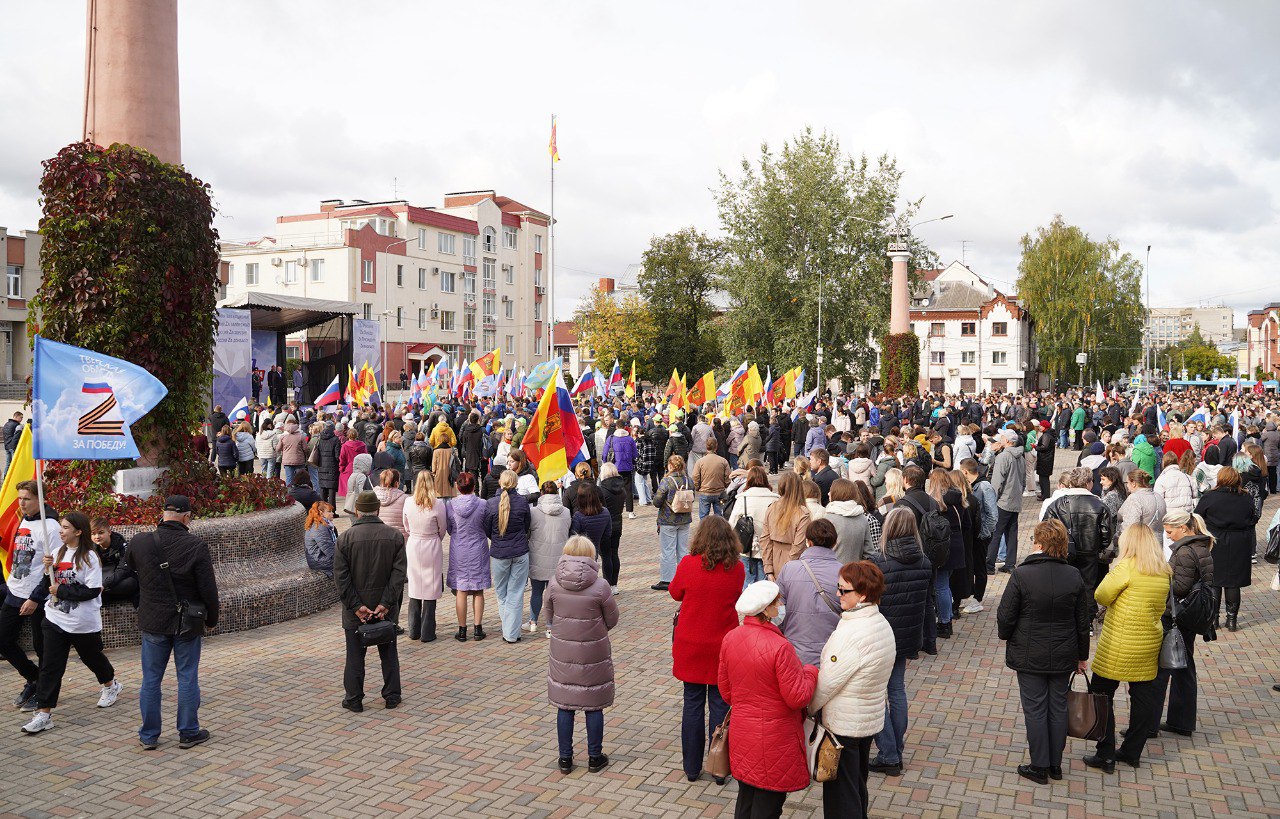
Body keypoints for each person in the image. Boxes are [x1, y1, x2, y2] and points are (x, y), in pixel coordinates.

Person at [996, 519, 1092, 784]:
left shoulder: (1022, 574)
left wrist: (1006, 636)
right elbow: (1082, 622)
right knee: (1058, 707)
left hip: (1029, 654)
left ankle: (1039, 765)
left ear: (1039, 543)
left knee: (1036, 709)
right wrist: (1082, 656)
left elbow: (1005, 617)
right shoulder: (1073, 575)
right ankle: (1055, 764)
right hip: (1063, 653)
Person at [717, 581, 819, 818]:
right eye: (777, 602)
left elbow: (726, 691)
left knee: (746, 797)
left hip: (743, 733)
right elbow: (798, 697)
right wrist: (810, 673)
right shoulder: (780, 646)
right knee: (768, 805)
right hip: (775, 739)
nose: (781, 605)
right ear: (766, 610)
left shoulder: (731, 638)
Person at [125, 496, 219, 749]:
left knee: (151, 680)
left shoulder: (139, 541)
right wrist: (212, 617)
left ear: (163, 514)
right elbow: (207, 588)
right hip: (186, 622)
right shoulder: (195, 545)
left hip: (152, 619)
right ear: (187, 517)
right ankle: (188, 732)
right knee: (187, 676)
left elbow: (129, 572)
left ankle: (149, 736)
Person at [20, 511, 123, 735]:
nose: (61, 531)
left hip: (82, 623)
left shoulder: (89, 557)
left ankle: (110, 684)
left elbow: (93, 590)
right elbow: (47, 583)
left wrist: (61, 590)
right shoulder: (56, 553)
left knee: (92, 658)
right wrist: (38, 593)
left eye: (65, 528)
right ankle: (44, 714)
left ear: (78, 531)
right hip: (55, 619)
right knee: (50, 667)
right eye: (61, 527)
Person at [808, 560, 897, 817]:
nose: (838, 594)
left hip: (844, 726)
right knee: (857, 784)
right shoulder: (880, 623)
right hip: (866, 721)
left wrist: (810, 707)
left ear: (863, 594)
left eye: (844, 590)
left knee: (841, 796)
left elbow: (828, 682)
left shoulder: (853, 632)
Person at [1084, 525, 1170, 773]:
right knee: (1142, 698)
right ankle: (1132, 751)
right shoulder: (1163, 571)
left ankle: (1106, 753)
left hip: (1119, 642)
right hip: (1149, 641)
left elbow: (1101, 595)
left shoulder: (1127, 567)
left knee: (1101, 695)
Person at [669, 515, 744, 783]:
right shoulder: (737, 568)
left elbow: (675, 593)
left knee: (692, 703)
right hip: (723, 643)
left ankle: (691, 768)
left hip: (691, 643)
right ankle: (719, 766)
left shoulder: (689, 564)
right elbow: (736, 596)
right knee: (720, 704)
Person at [546, 535, 620, 774]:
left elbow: (548, 617)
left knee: (565, 704)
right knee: (593, 703)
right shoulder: (600, 586)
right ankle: (594, 757)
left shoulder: (554, 583)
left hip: (562, 652)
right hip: (593, 651)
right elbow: (613, 619)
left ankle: (565, 759)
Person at [868, 508, 931, 776]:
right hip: (907, 636)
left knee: (874, 695)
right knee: (897, 690)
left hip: (880, 638)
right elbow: (926, 603)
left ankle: (890, 753)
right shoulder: (925, 562)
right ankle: (896, 747)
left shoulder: (878, 562)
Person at [334, 491, 407, 713]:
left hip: (356, 611)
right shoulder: (394, 536)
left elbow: (341, 578)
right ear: (377, 510)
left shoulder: (345, 539)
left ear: (357, 511)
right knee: (388, 652)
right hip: (385, 608)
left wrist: (356, 607)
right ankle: (392, 696)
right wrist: (385, 604)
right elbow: (398, 575)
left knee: (355, 655)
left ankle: (354, 698)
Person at [1154, 510, 1215, 737]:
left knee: (1164, 669)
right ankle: (1181, 721)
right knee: (1184, 666)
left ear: (1183, 528)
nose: (1168, 536)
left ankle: (1149, 724)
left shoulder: (1185, 551)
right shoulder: (1202, 547)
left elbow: (1178, 587)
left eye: (1170, 531)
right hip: (1191, 616)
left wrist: (1162, 574)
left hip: (1176, 616)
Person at [1193, 466, 1258, 632]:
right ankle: (1231, 620)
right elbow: (1254, 517)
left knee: (1215, 580)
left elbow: (1198, 516)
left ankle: (1214, 619)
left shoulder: (1210, 496)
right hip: (1239, 541)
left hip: (1216, 540)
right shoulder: (1245, 497)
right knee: (1233, 582)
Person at [775, 518, 844, 665]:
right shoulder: (844, 573)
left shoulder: (789, 569)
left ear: (808, 542)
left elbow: (777, 612)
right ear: (834, 543)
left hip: (795, 652)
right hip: (832, 653)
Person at [1040, 466, 1112, 605]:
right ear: (1088, 483)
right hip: (1089, 553)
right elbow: (1106, 534)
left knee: (1063, 586)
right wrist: (1097, 547)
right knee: (1088, 588)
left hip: (1063, 552)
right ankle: (1087, 621)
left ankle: (1066, 615)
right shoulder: (1099, 505)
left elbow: (1046, 529)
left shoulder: (1057, 504)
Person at [484, 470, 532, 644]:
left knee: (502, 593)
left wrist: (497, 539)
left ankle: (510, 632)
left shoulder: (490, 504)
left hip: (499, 552)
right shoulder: (522, 502)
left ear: (500, 483)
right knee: (515, 593)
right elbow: (527, 525)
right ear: (516, 483)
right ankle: (512, 631)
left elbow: (487, 529)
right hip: (519, 551)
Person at [403, 471, 447, 643]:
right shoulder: (438, 503)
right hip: (431, 544)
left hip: (414, 543)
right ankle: (428, 631)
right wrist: (435, 537)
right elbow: (442, 527)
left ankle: (413, 629)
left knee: (414, 585)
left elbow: (405, 525)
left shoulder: (408, 501)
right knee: (431, 586)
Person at [446, 472, 490, 641]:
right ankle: (478, 628)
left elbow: (449, 528)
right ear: (473, 486)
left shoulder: (450, 505)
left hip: (459, 548)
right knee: (478, 589)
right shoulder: (482, 504)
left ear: (458, 486)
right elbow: (486, 525)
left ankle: (462, 629)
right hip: (478, 546)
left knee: (461, 589)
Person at [529, 481, 571, 633]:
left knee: (536, 592)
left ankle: (533, 621)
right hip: (558, 558)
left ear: (541, 493)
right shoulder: (566, 512)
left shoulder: (534, 512)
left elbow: (528, 532)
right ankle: (550, 625)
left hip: (538, 557)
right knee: (553, 594)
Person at [727, 465, 779, 585]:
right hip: (768, 546)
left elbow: (732, 523)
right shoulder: (775, 499)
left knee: (747, 582)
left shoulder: (742, 498)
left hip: (746, 544)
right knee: (764, 583)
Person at [651, 455, 693, 592]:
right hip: (685, 518)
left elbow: (657, 502)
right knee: (682, 550)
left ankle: (667, 579)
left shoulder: (666, 481)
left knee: (667, 551)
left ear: (670, 466)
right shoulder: (688, 480)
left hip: (668, 519)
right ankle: (685, 578)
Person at [986, 429, 1025, 573]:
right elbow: (1023, 479)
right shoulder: (1020, 456)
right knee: (1011, 533)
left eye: (1002, 437)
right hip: (1015, 499)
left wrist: (991, 500)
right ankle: (1010, 563)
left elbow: (997, 482)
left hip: (1003, 501)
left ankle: (989, 564)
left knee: (995, 532)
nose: (1000, 439)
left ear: (1007, 441)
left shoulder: (1003, 457)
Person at [760, 471, 811, 581]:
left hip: (774, 558)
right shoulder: (803, 513)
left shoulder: (772, 508)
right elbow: (798, 545)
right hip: (794, 562)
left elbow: (765, 540)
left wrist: (768, 568)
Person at [90, 518, 137, 606]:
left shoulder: (122, 545)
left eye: (100, 532)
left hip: (118, 578)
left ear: (109, 532)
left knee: (131, 583)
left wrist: (104, 585)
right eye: (93, 534)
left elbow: (123, 570)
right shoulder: (90, 548)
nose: (97, 536)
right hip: (101, 579)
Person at [597, 463, 627, 593]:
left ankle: (608, 584)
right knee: (614, 553)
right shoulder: (622, 488)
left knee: (606, 556)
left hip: (605, 525)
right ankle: (614, 584)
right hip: (618, 523)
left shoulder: (602, 490)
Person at [825, 478, 871, 563]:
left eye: (831, 490)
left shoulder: (828, 519)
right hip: (855, 572)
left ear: (837, 493)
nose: (828, 493)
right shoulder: (862, 518)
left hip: (831, 572)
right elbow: (868, 553)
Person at [569, 483, 612, 561]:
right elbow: (607, 534)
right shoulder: (605, 512)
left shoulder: (578, 516)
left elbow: (572, 537)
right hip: (594, 551)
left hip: (580, 554)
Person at [603, 424, 638, 517]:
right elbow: (635, 454)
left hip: (614, 467)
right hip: (627, 467)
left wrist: (605, 462)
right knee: (628, 489)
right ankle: (630, 511)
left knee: (614, 489)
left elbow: (605, 453)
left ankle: (615, 510)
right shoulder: (630, 439)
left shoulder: (611, 438)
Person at [691, 437, 731, 519]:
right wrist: (725, 485)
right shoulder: (723, 461)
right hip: (719, 492)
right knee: (720, 517)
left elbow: (695, 477)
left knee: (703, 517)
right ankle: (719, 532)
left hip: (705, 492)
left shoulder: (700, 462)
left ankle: (704, 531)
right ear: (716, 446)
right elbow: (728, 477)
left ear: (706, 446)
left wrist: (697, 487)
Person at [303, 501, 337, 578]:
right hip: (320, 562)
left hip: (320, 559)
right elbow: (330, 551)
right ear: (321, 513)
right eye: (329, 512)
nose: (332, 514)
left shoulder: (322, 524)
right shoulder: (320, 528)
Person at [374, 469, 409, 539]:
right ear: (397, 482)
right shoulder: (405, 498)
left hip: (378, 536)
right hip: (400, 537)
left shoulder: (373, 496)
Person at [337, 428, 368, 501]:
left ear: (348, 435)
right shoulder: (362, 445)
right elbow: (366, 457)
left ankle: (350, 505)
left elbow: (342, 459)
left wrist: (341, 468)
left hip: (349, 469)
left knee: (349, 490)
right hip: (360, 468)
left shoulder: (345, 446)